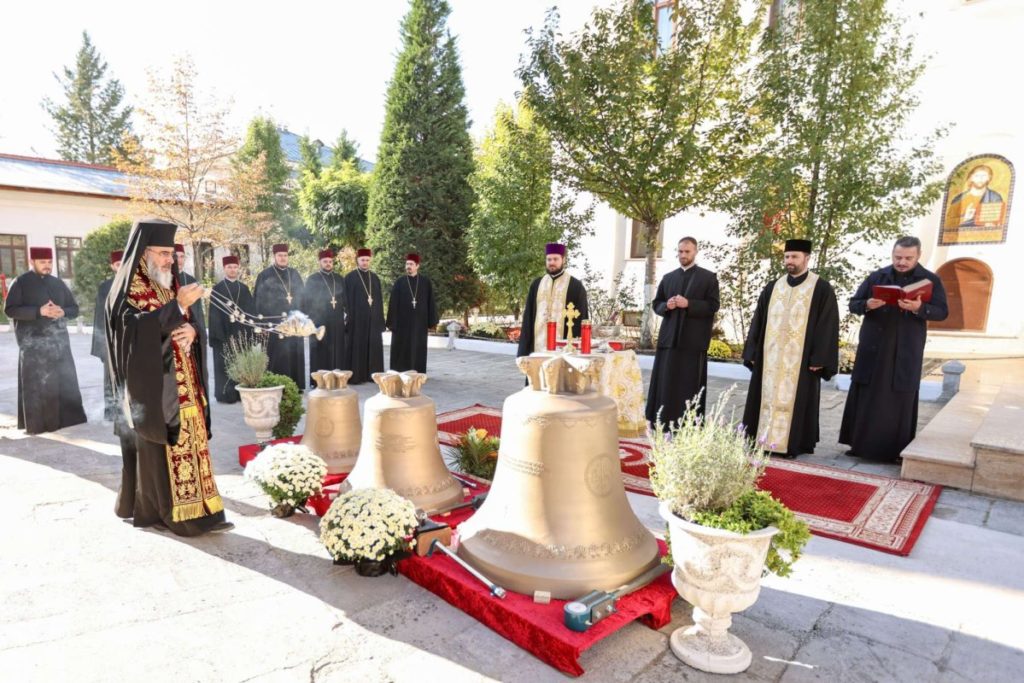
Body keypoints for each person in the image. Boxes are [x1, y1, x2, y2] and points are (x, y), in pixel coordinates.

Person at [106, 219, 231, 535]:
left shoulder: (171, 282)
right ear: (145, 252)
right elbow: (132, 334)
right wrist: (177, 307)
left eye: (172, 254)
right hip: (155, 389)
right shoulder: (127, 289)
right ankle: (168, 513)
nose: (168, 260)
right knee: (163, 450)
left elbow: (190, 324)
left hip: (186, 382)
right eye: (162, 253)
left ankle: (205, 510)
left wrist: (193, 329)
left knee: (193, 443)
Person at [840, 236, 949, 462]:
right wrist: (867, 304)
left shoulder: (930, 280)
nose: (902, 262)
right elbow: (853, 303)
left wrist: (920, 308)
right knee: (868, 395)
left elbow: (942, 312)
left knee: (898, 398)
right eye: (898, 257)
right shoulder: (877, 277)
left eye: (908, 258)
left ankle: (894, 450)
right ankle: (860, 446)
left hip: (905, 350)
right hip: (874, 348)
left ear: (918, 256)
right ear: (892, 254)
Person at [742, 239, 840, 459]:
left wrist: (820, 358)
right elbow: (758, 320)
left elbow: (828, 325)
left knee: (798, 400)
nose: (790, 261)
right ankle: (763, 440)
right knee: (764, 396)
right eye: (787, 257)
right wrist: (753, 353)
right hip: (770, 358)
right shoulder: (773, 286)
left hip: (802, 361)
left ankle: (793, 444)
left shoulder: (820, 288)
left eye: (795, 257)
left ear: (806, 258)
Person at [4, 246, 87, 434]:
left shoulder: (58, 283)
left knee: (63, 381)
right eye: (43, 262)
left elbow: (73, 308)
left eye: (50, 262)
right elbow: (10, 310)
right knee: (37, 385)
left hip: (59, 344)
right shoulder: (20, 282)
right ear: (31, 262)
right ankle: (39, 425)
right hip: (32, 344)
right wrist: (38, 311)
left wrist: (63, 311)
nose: (47, 266)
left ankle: (66, 421)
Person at [645, 237, 720, 427]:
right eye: (680, 251)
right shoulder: (668, 278)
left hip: (692, 341)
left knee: (688, 383)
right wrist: (666, 306)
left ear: (695, 252)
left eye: (687, 251)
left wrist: (689, 304)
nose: (683, 255)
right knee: (666, 382)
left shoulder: (708, 277)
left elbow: (713, 305)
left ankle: (688, 423)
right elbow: (656, 304)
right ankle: (661, 419)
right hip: (669, 339)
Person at [517, 243, 589, 356]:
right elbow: (528, 318)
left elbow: (582, 319)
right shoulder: (536, 285)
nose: (552, 262)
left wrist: (576, 350)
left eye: (555, 259)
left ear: (563, 260)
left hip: (565, 350)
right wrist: (523, 350)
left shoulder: (575, 286)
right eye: (549, 259)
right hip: (537, 348)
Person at [253, 243, 306, 388]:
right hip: (274, 325)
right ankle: (276, 385)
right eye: (280, 256)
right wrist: (261, 325)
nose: (283, 258)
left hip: (294, 323)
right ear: (274, 256)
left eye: (285, 255)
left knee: (294, 354)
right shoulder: (264, 275)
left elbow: (303, 298)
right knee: (277, 357)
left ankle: (296, 386)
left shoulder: (294, 274)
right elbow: (258, 301)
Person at [208, 255, 254, 403]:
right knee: (224, 364)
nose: (233, 270)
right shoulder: (217, 289)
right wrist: (220, 335)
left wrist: (249, 332)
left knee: (241, 363)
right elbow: (213, 314)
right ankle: (225, 394)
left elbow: (250, 312)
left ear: (238, 268)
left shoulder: (244, 288)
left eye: (235, 267)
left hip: (241, 334)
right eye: (230, 267)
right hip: (224, 334)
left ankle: (241, 393)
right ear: (224, 269)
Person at [387, 252, 439, 373]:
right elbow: (393, 303)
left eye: (411, 264)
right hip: (402, 324)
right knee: (402, 347)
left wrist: (431, 321)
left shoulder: (425, 282)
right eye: (407, 264)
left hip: (419, 324)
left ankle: (417, 371)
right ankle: (399, 370)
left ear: (417, 266)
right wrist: (392, 322)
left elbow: (430, 302)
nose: (408, 266)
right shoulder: (400, 282)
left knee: (418, 347)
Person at [304, 248, 347, 385]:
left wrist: (346, 316)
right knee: (320, 351)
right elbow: (306, 301)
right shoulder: (312, 279)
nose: (328, 264)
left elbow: (345, 300)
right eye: (325, 261)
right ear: (319, 262)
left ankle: (337, 378)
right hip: (319, 321)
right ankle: (319, 381)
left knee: (337, 350)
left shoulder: (339, 278)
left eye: (330, 261)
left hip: (337, 321)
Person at [343, 248, 385, 384]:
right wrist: (348, 318)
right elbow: (346, 301)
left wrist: (380, 320)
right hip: (357, 320)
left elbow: (379, 301)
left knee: (373, 346)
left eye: (367, 260)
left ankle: (373, 375)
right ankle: (358, 376)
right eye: (362, 260)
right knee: (357, 347)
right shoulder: (350, 278)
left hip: (373, 321)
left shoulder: (375, 278)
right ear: (357, 260)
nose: (365, 262)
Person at [92, 250, 123, 421]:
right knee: (110, 378)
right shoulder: (105, 287)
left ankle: (130, 412)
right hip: (110, 342)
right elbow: (99, 318)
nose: (122, 267)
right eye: (118, 264)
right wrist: (102, 346)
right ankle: (111, 412)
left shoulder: (136, 285)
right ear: (113, 267)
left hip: (130, 341)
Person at [945, 164, 1005, 228]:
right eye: (977, 176)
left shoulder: (995, 198)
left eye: (984, 176)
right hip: (961, 235)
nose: (980, 179)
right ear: (971, 178)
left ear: (989, 178)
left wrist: (993, 224)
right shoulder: (959, 199)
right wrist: (965, 218)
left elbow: (998, 221)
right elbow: (948, 223)